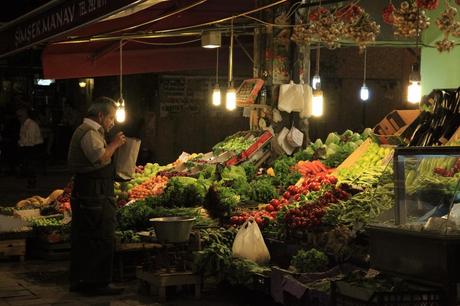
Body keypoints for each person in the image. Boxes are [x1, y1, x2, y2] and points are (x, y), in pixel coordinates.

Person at [67, 97, 127, 295]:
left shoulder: (90, 132)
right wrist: (116, 144)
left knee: (87, 237)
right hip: (93, 194)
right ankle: (98, 283)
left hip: (93, 193)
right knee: (100, 236)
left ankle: (84, 280)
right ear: (100, 116)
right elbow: (100, 157)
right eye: (110, 118)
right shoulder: (89, 133)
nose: (113, 122)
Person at [16, 107, 43, 188]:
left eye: (19, 116)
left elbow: (30, 141)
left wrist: (21, 144)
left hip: (35, 147)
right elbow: (22, 137)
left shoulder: (31, 125)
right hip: (28, 146)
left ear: (24, 115)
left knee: (28, 159)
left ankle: (31, 178)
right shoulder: (23, 124)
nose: (18, 118)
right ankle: (24, 172)